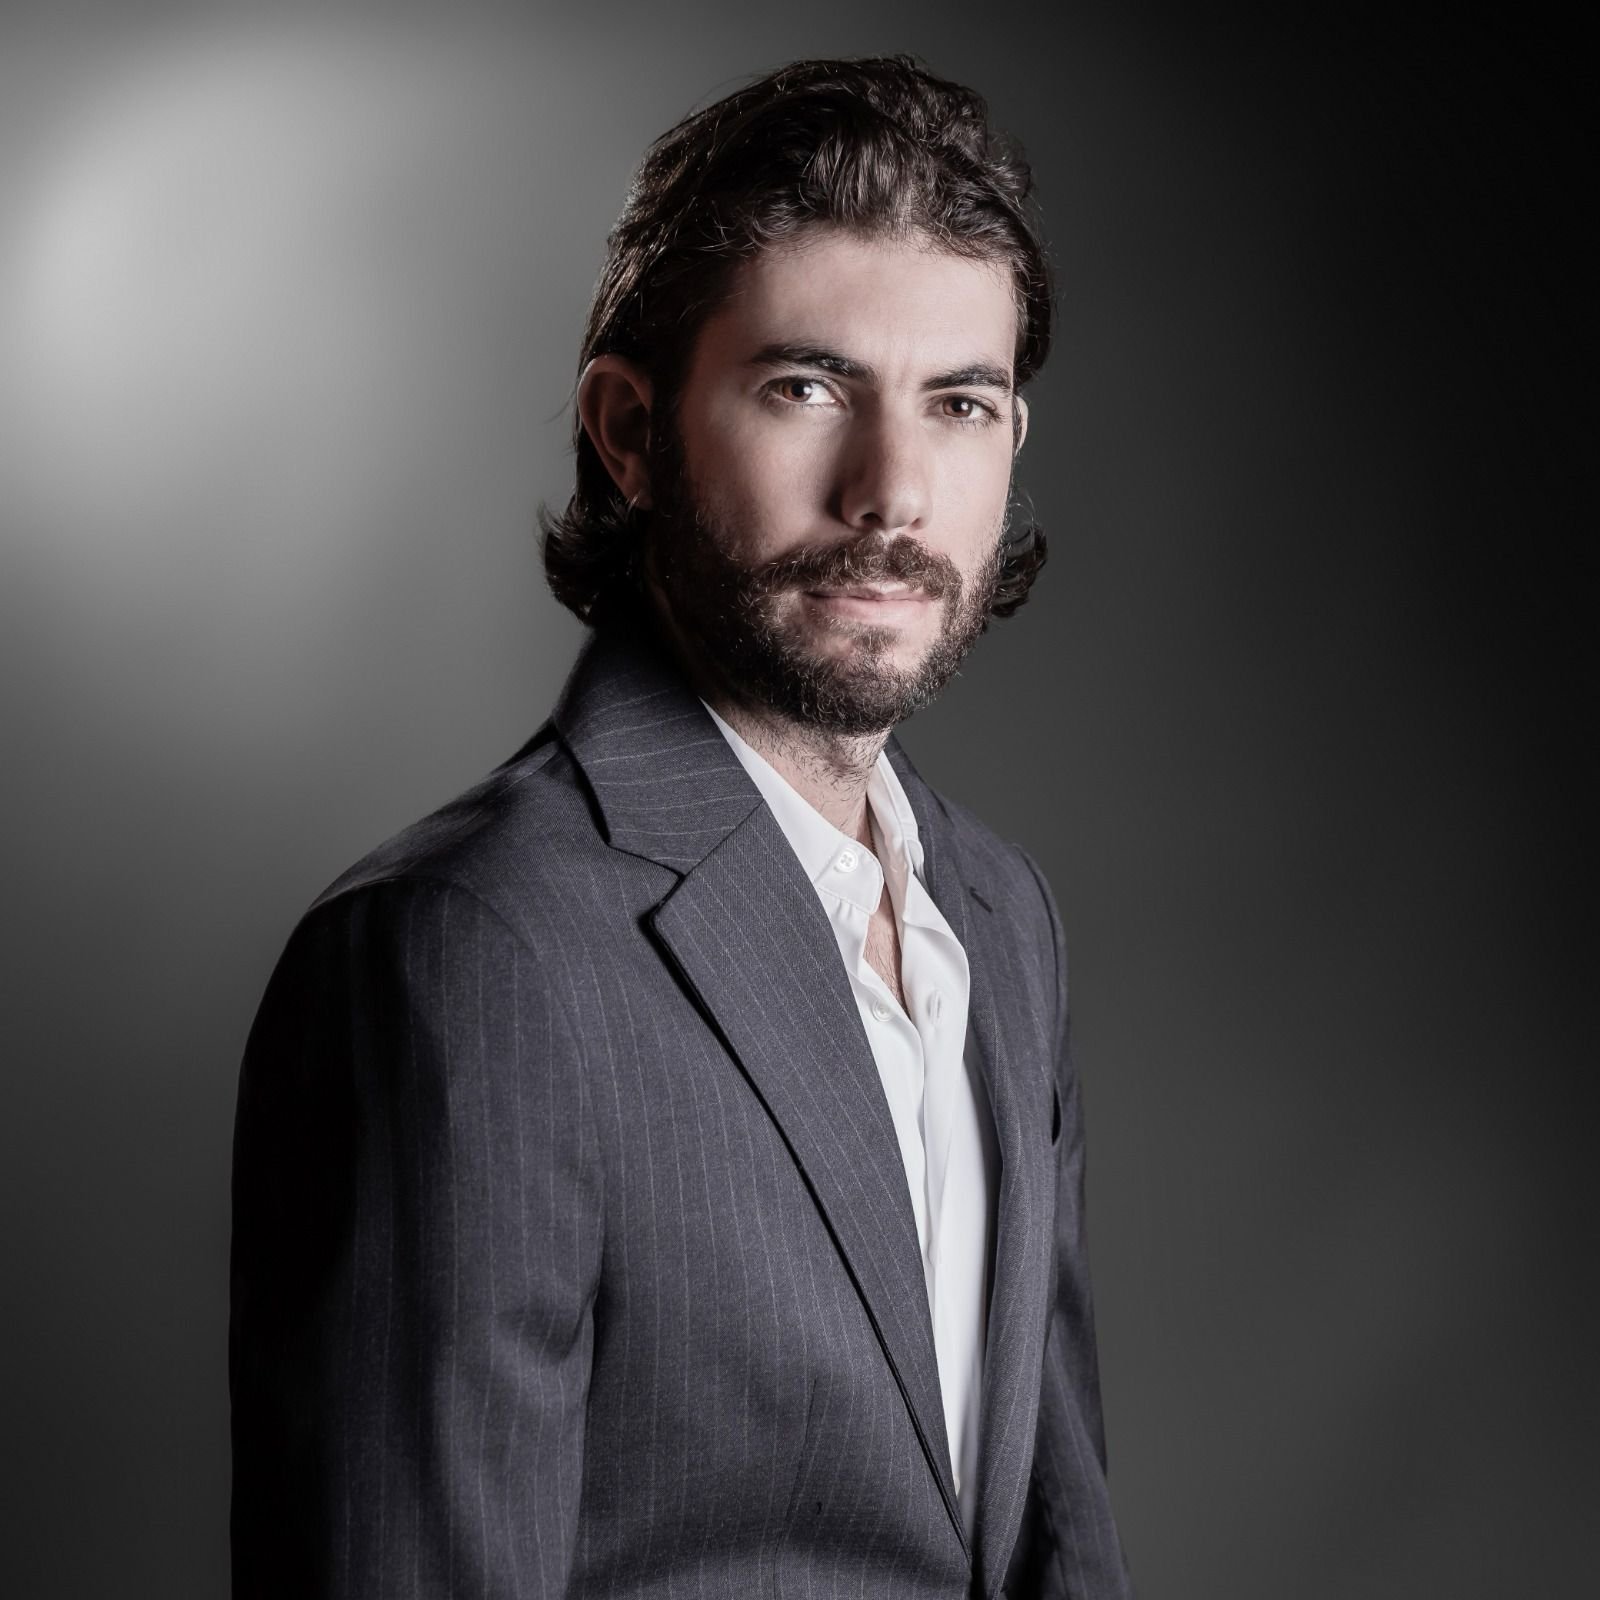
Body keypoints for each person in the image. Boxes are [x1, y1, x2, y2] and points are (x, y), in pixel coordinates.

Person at [230, 54, 1132, 1600]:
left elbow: (1054, 1545)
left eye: (959, 405)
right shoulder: (467, 954)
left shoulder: (1000, 918)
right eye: (806, 388)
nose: (892, 492)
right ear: (630, 432)